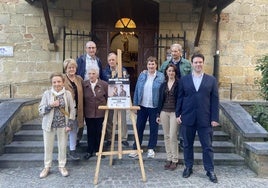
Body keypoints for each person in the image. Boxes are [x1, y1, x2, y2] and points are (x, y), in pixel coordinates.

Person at [176, 53, 219, 183]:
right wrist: (178, 114)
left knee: (207, 146)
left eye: (200, 62)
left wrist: (214, 118)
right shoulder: (184, 80)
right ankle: (188, 167)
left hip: (205, 119)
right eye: (196, 62)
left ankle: (210, 170)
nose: (198, 64)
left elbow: (215, 100)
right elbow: (180, 98)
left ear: (203, 63)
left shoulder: (211, 80)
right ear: (192, 64)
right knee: (188, 145)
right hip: (188, 117)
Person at [38, 73, 75, 178]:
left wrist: (70, 124)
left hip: (63, 125)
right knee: (48, 147)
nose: (56, 84)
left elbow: (72, 110)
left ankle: (62, 166)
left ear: (63, 82)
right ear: (51, 83)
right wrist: (50, 105)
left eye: (59, 81)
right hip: (48, 125)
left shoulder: (67, 94)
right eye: (54, 82)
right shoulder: (47, 94)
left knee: (62, 146)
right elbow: (40, 110)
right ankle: (47, 167)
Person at [129, 56, 164, 158]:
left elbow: (162, 93)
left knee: (154, 128)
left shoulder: (161, 77)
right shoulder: (142, 75)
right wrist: (135, 104)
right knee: (139, 127)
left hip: (154, 106)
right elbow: (137, 90)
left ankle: (151, 148)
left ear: (156, 65)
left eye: (153, 64)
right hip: (142, 106)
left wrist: (161, 108)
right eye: (149, 64)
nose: (151, 66)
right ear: (147, 65)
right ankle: (136, 148)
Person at [159, 43, 191, 151]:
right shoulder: (165, 64)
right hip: (171, 95)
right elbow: (159, 75)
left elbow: (191, 77)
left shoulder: (187, 64)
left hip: (184, 94)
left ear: (180, 52)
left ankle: (181, 140)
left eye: (176, 51)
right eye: (172, 51)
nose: (174, 53)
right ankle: (174, 144)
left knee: (181, 118)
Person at [76, 41, 104, 147]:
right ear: (86, 49)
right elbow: (77, 74)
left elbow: (100, 76)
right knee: (81, 114)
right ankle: (77, 139)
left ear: (96, 49)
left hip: (95, 89)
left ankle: (97, 145)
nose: (91, 50)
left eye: (93, 48)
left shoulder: (98, 60)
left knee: (94, 117)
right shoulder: (81, 60)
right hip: (84, 89)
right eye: (89, 48)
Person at [102, 52, 129, 147]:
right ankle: (109, 138)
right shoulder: (104, 71)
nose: (111, 61)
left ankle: (123, 138)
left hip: (121, 98)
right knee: (110, 119)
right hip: (110, 98)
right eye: (109, 60)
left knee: (122, 118)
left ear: (117, 60)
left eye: (113, 59)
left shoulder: (123, 70)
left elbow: (126, 82)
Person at [156, 64, 179, 171]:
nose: (171, 73)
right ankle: (168, 158)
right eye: (169, 71)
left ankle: (175, 159)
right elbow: (159, 100)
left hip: (175, 113)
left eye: (173, 71)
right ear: (166, 72)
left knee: (173, 136)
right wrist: (158, 114)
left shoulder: (179, 84)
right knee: (166, 136)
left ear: (175, 72)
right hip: (164, 112)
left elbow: (181, 100)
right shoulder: (163, 85)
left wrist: (180, 114)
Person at [83, 67, 108, 159]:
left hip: (100, 112)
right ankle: (90, 150)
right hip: (89, 112)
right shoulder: (84, 84)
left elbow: (109, 97)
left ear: (97, 75)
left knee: (99, 131)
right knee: (90, 131)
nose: (91, 75)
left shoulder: (104, 84)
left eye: (93, 73)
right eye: (89, 74)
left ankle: (99, 150)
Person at [63, 58, 84, 160]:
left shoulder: (79, 79)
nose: (72, 69)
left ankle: (72, 150)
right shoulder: (62, 79)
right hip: (65, 110)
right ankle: (62, 151)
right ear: (66, 69)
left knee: (74, 130)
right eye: (69, 67)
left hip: (77, 109)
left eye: (73, 67)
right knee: (64, 130)